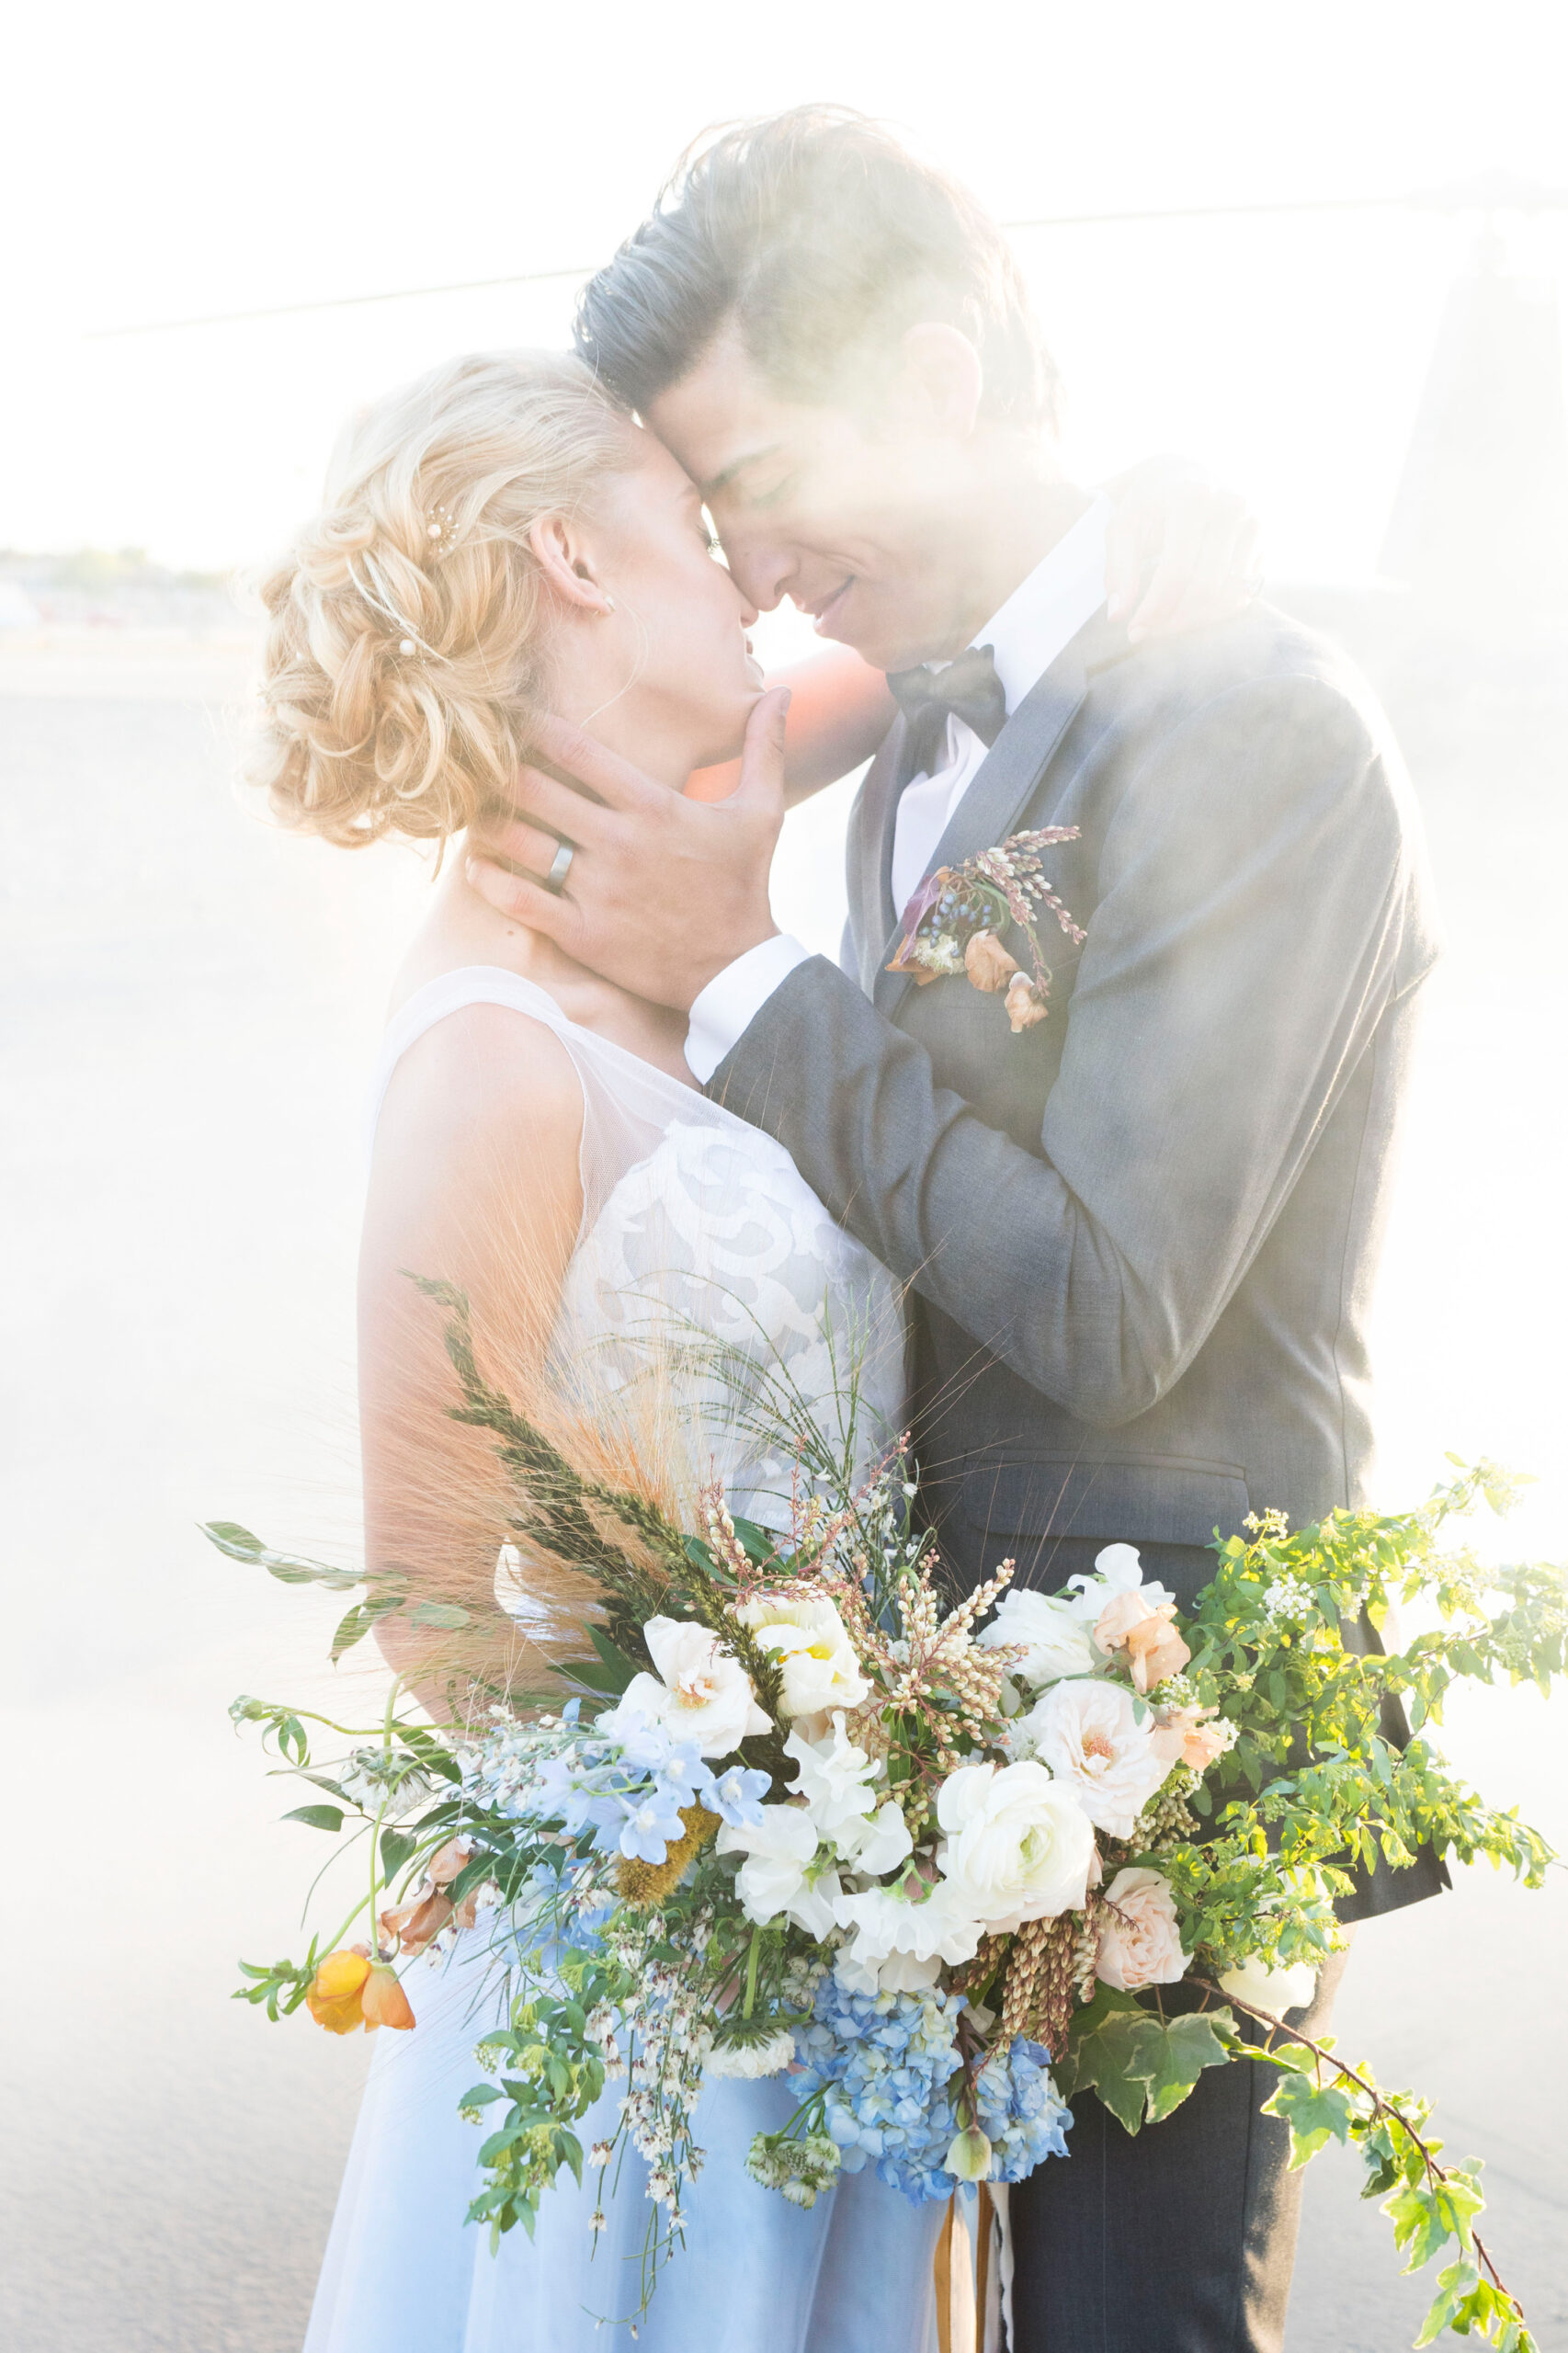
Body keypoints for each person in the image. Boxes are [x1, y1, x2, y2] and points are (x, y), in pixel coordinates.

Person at [464, 108, 1449, 2353]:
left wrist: (739, 982)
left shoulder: (1258, 722)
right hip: (931, 1735)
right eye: (704, 517)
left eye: (759, 477)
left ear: (929, 368)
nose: (758, 558)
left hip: (1159, 1718)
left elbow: (1112, 1301)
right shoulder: (913, 720)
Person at [251, 346, 1255, 2351]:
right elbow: (439, 1606)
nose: (766, 587)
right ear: (571, 552)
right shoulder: (489, 1062)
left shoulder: (671, 818)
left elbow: (953, 653)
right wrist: (787, 1804)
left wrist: (1144, 510)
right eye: (704, 535)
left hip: (839, 1947)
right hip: (668, 1983)